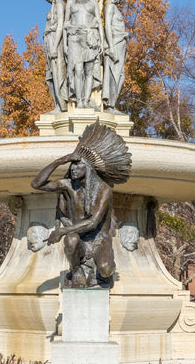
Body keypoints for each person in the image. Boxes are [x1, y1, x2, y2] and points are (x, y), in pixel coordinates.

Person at [29, 122, 131, 288]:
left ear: (89, 167)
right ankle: (77, 269)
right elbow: (36, 184)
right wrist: (60, 161)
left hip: (98, 238)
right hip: (78, 236)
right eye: (72, 165)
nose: (74, 168)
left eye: (78, 164)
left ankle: (99, 270)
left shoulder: (103, 189)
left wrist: (62, 230)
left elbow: (93, 222)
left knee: (105, 270)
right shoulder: (68, 185)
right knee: (70, 241)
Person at [63, 0, 102, 109]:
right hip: (75, 39)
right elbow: (65, 24)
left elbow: (99, 22)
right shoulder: (71, 2)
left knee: (89, 71)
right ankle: (79, 101)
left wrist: (102, 41)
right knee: (78, 70)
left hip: (90, 39)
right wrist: (65, 45)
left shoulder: (93, 2)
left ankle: (86, 100)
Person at [102, 0, 129, 111]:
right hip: (114, 44)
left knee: (120, 75)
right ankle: (109, 105)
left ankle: (112, 103)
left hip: (120, 44)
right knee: (114, 73)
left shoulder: (115, 8)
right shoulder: (110, 5)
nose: (126, 0)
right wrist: (111, 47)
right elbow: (107, 25)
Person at [41, 0, 68, 111]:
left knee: (58, 73)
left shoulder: (59, 5)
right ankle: (56, 103)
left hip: (56, 43)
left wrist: (55, 46)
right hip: (49, 42)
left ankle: (61, 103)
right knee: (50, 77)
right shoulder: (53, 6)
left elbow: (60, 25)